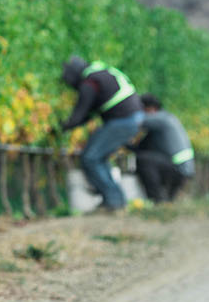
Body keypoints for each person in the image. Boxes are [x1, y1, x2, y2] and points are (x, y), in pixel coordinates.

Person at [59, 55, 145, 212]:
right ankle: (116, 200)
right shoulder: (100, 73)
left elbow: (79, 115)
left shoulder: (89, 83)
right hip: (131, 119)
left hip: (122, 121)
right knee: (98, 157)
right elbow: (88, 115)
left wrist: (61, 127)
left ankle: (113, 201)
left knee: (90, 157)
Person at [129, 95, 195, 203]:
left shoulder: (161, 118)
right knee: (145, 157)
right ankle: (162, 201)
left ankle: (157, 201)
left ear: (150, 109)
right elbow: (140, 147)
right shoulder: (163, 122)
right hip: (179, 169)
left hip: (179, 169)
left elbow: (135, 121)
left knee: (144, 160)